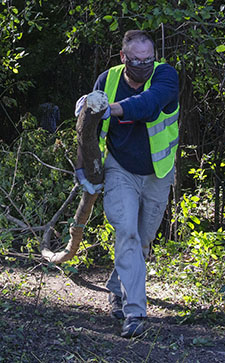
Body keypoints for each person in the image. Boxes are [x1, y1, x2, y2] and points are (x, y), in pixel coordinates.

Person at [79, 29, 180, 338]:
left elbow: (148, 104)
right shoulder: (106, 81)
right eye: (136, 60)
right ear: (123, 57)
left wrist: (112, 108)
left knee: (144, 240)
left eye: (148, 59)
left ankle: (115, 284)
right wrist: (84, 170)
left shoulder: (166, 76)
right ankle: (134, 312)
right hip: (120, 168)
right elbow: (88, 133)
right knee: (127, 233)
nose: (142, 64)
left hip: (158, 173)